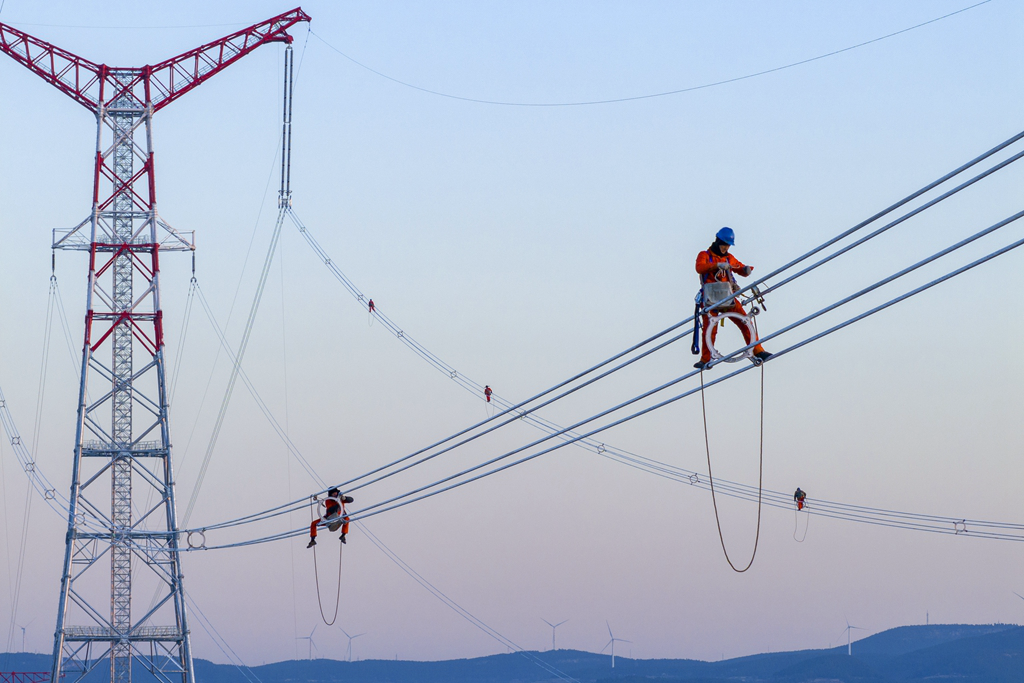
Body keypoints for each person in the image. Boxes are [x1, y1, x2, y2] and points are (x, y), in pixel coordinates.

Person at [694, 227, 772, 370]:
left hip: (728, 297)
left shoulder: (729, 258)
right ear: (718, 242)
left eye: (728, 245)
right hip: (710, 298)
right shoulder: (704, 255)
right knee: (709, 330)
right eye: (724, 244)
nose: (726, 248)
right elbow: (699, 267)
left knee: (745, 321)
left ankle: (758, 350)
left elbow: (739, 267)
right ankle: (705, 359)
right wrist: (716, 265)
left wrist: (746, 270)